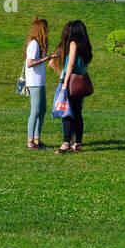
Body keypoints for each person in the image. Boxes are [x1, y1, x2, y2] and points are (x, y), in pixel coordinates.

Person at [49, 20, 93, 153]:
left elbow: (71, 64)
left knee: (67, 112)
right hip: (80, 82)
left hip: (70, 80)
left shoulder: (73, 44)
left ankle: (66, 142)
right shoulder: (86, 46)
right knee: (78, 113)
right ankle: (78, 143)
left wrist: (65, 81)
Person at [23, 16, 54, 150]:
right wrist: (44, 60)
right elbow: (29, 63)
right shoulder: (33, 44)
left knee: (42, 110)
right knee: (35, 111)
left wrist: (49, 58)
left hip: (39, 81)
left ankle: (37, 140)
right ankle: (30, 143)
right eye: (46, 28)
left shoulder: (39, 44)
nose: (48, 31)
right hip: (34, 82)